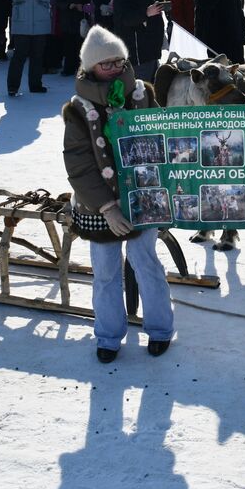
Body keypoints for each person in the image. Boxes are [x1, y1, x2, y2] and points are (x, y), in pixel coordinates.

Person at [61, 26, 172, 362]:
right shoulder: (77, 109)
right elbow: (78, 164)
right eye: (104, 63)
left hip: (143, 198)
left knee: (146, 263)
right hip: (99, 205)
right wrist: (107, 206)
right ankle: (108, 336)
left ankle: (160, 329)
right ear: (90, 66)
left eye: (118, 62)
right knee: (106, 270)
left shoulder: (142, 94)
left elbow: (162, 139)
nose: (112, 68)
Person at [5, 0, 53, 96]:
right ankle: (13, 87)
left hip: (40, 24)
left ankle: (35, 85)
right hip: (21, 24)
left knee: (38, 56)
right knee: (19, 57)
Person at [109, 0, 165, 81]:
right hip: (137, 51)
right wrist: (147, 13)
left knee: (149, 86)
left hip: (149, 48)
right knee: (141, 89)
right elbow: (126, 19)